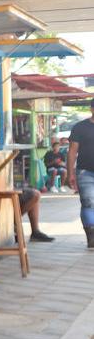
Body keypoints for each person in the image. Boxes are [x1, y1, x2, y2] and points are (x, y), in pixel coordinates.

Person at [65, 102, 94, 249]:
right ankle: (91, 236)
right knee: (88, 202)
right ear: (92, 109)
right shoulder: (80, 127)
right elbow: (72, 151)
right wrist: (70, 173)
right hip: (85, 172)